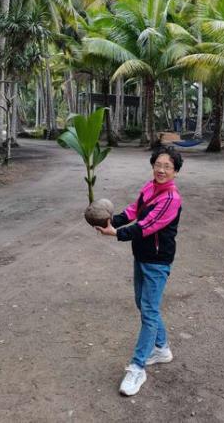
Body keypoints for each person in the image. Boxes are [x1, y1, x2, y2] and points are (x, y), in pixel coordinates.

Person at [95, 146, 183, 396]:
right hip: (142, 256)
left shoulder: (171, 199)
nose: (162, 169)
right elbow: (135, 210)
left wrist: (117, 233)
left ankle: (137, 367)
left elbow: (147, 225)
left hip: (157, 262)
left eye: (167, 166)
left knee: (149, 312)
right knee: (144, 305)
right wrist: (112, 221)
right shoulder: (150, 187)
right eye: (158, 164)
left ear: (175, 171)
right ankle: (162, 349)